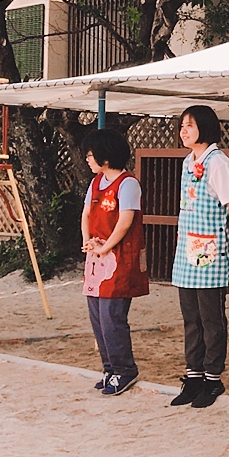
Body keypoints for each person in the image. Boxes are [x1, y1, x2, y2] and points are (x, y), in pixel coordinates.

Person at [170, 105, 229, 409]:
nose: (183, 131)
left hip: (211, 251)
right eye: (182, 126)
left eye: (190, 125)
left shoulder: (218, 162)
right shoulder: (189, 161)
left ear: (206, 128)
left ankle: (213, 377)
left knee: (211, 319)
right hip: (188, 252)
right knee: (191, 318)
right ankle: (193, 375)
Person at [81, 128, 149, 396]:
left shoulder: (128, 183)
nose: (87, 159)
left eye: (91, 154)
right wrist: (88, 242)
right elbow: (86, 213)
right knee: (96, 316)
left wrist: (105, 247)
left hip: (119, 258)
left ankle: (124, 369)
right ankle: (109, 367)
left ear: (106, 157)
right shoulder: (96, 182)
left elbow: (125, 222)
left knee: (112, 316)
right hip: (96, 258)